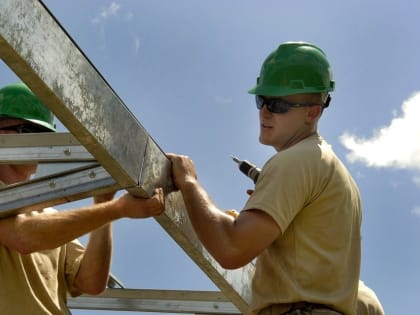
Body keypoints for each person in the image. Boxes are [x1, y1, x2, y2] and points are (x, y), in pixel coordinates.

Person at [168, 41, 362, 315]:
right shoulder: (329, 168)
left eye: (278, 104)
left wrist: (189, 184)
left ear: (312, 112)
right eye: (262, 100)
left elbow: (231, 249)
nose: (265, 111)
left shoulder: (296, 161)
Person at [0, 82, 165, 315]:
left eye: (46, 136)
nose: (42, 145)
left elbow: (90, 282)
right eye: (32, 133)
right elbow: (22, 236)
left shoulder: (49, 216)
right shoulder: (31, 221)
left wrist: (103, 202)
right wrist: (116, 210)